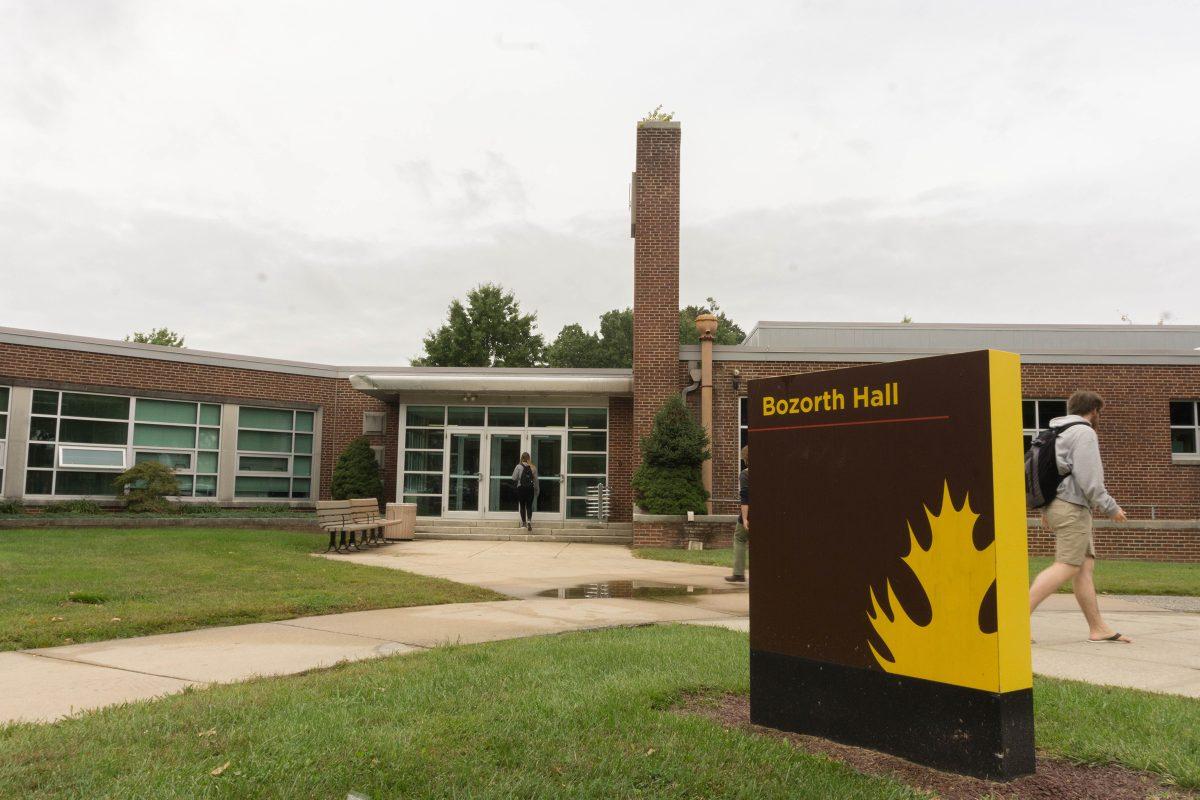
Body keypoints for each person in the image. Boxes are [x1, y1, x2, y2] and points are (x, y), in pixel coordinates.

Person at [1028, 390, 1131, 643]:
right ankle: (1015, 620)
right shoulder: (1084, 433)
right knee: (1067, 565)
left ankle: (1098, 627)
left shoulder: (1058, 432)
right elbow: (1090, 479)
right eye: (1099, 412)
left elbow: (1053, 473)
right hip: (1071, 507)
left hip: (1062, 505)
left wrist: (1046, 508)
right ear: (1094, 410)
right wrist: (1111, 507)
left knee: (1083, 567)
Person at [726, 445, 749, 583]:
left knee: (740, 539)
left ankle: (739, 573)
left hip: (750, 514)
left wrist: (745, 518)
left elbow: (746, 498)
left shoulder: (745, 474)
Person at [512, 452, 537, 531]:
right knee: (529, 506)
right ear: (529, 458)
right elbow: (536, 480)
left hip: (521, 488)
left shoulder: (518, 466)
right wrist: (536, 489)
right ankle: (529, 521)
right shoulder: (533, 467)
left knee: (522, 506)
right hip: (530, 489)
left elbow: (514, 478)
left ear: (521, 458)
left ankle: (524, 523)